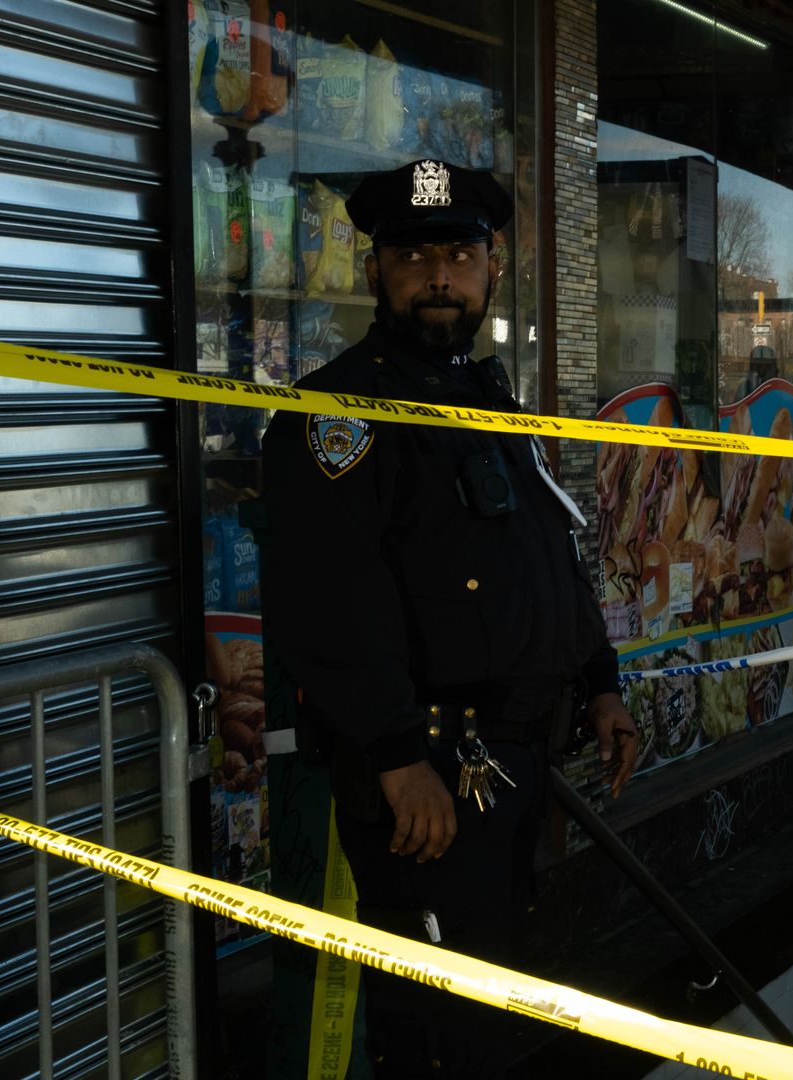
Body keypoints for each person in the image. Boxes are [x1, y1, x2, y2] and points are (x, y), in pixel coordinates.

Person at [261, 160, 640, 1078]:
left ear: (492, 270)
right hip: (427, 783)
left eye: (459, 254)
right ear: (374, 271)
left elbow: (547, 559)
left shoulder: (487, 403)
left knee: (492, 1024)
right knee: (437, 1040)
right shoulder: (337, 416)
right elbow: (332, 603)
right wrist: (395, 758)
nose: (440, 275)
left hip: (507, 773)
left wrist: (601, 685)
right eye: (414, 255)